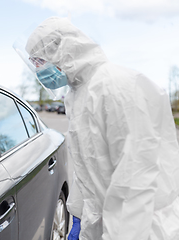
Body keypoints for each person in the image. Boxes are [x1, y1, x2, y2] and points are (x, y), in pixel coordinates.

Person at [21, 17, 179, 239]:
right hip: (101, 222)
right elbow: (87, 165)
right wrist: (77, 213)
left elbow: (136, 180)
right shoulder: (76, 96)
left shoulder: (118, 86)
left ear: (61, 51)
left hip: (142, 228)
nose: (37, 70)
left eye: (39, 61)